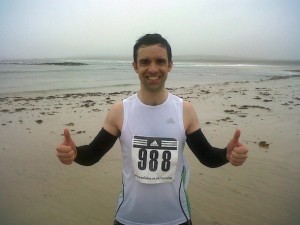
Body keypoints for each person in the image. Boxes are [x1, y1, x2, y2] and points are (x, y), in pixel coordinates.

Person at [56, 33, 248, 225]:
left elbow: (207, 157)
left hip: (176, 218)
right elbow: (92, 154)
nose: (153, 68)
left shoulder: (184, 110)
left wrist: (227, 154)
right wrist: (74, 153)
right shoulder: (120, 111)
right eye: (145, 61)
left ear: (170, 65)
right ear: (135, 66)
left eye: (160, 61)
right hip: (128, 218)